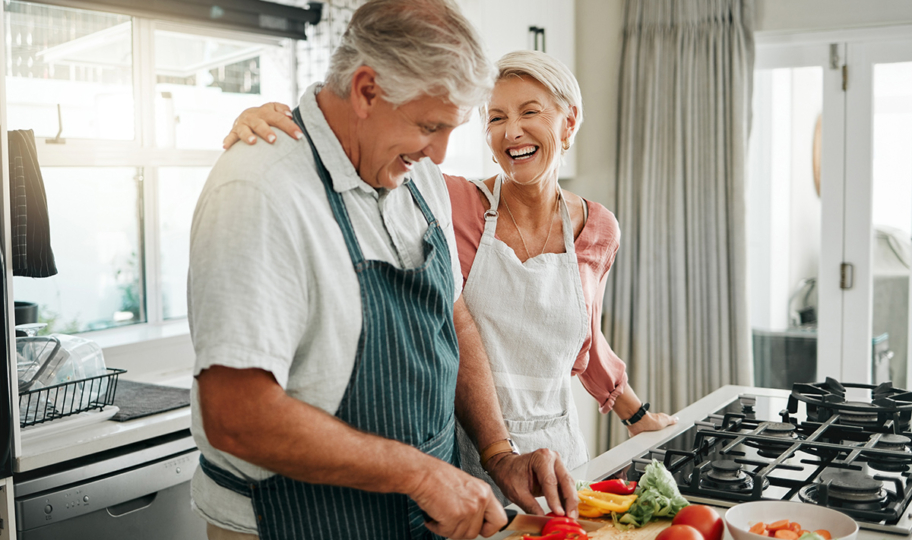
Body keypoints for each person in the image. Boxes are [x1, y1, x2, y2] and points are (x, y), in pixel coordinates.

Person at [188, 2, 578, 540]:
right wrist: (417, 474)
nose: (440, 154)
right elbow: (236, 414)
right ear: (367, 91)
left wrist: (497, 454)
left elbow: (453, 316)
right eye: (429, 126)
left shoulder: (417, 177)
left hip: (419, 518)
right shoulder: (260, 190)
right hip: (297, 522)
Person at [225, 50, 678, 505]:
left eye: (529, 112)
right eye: (495, 117)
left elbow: (585, 336)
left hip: (560, 455)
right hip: (465, 455)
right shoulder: (451, 199)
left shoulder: (597, 227)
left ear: (569, 120)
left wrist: (635, 414)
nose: (511, 130)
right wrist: (281, 126)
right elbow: (359, 151)